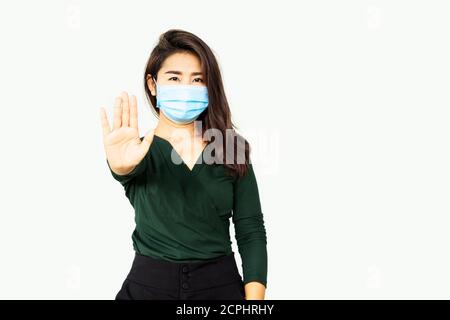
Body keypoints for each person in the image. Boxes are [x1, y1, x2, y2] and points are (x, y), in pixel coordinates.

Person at [99, 29, 267, 300]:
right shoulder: (136, 152)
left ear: (209, 87)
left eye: (197, 80)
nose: (185, 88)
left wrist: (254, 302)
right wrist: (120, 167)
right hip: (146, 288)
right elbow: (125, 169)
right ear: (153, 85)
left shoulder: (231, 149)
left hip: (220, 289)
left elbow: (251, 230)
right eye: (174, 78)